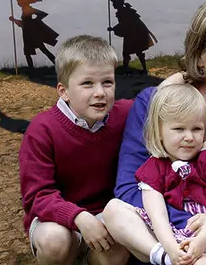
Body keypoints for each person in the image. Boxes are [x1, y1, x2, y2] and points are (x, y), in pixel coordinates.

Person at [103, 0, 206, 265]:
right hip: (160, 242)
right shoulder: (154, 103)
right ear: (201, 57)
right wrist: (188, 230)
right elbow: (127, 189)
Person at [19, 35, 131, 265]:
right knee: (55, 241)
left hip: (104, 214)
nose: (100, 92)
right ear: (64, 91)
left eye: (107, 82)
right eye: (87, 83)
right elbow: (38, 195)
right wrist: (78, 217)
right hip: (56, 219)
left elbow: (160, 100)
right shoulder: (42, 129)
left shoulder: (125, 114)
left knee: (121, 245)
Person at [134, 83, 206, 265]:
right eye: (179, 129)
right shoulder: (153, 168)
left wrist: (201, 242)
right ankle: (165, 258)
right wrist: (172, 249)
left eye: (196, 129)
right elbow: (158, 216)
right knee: (114, 211)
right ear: (160, 132)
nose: (189, 137)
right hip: (168, 240)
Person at [107, 0, 158, 74]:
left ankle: (136, 68)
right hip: (132, 32)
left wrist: (113, 28)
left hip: (135, 33)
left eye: (114, 3)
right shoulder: (123, 11)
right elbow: (124, 24)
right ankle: (128, 67)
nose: (113, 5)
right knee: (131, 51)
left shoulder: (123, 12)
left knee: (135, 51)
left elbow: (125, 24)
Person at [9, 0, 59, 70]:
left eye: (18, 2)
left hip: (31, 35)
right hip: (28, 34)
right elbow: (23, 24)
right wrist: (14, 20)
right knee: (36, 51)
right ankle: (32, 69)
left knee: (34, 52)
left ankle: (32, 69)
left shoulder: (28, 9)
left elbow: (42, 14)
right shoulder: (25, 10)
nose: (17, 3)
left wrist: (34, 22)